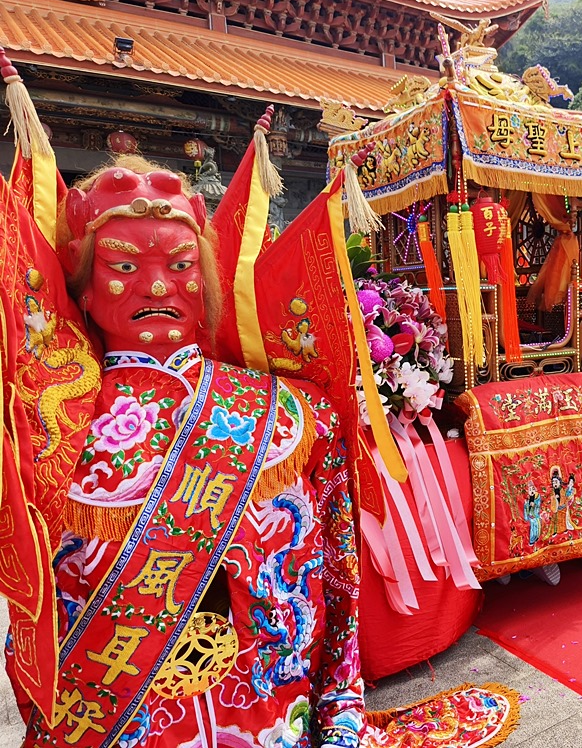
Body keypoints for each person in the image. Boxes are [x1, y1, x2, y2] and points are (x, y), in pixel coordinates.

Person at [9, 157, 516, 747]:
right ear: (84, 286)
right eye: (124, 265)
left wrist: (339, 704)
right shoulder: (46, 431)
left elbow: (338, 582)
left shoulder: (295, 415)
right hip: (114, 720)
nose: (156, 286)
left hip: (268, 716)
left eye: (180, 266)